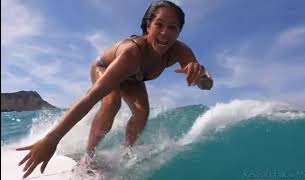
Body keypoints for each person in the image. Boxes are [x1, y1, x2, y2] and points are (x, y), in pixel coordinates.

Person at [16, 0, 213, 178]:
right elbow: (91, 97)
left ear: (178, 32)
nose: (165, 33)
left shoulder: (181, 51)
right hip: (105, 67)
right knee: (111, 102)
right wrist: (52, 139)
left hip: (133, 78)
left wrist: (203, 77)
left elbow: (206, 86)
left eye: (172, 28)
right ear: (147, 26)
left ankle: (127, 152)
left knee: (142, 112)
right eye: (159, 25)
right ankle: (88, 157)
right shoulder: (131, 53)